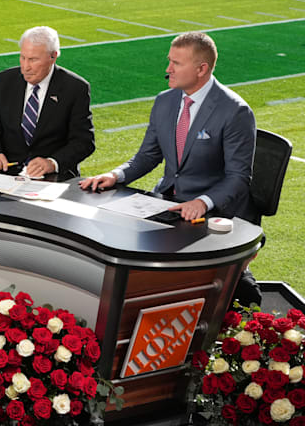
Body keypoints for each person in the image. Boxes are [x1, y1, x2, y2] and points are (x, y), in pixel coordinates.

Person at [79, 31, 259, 305]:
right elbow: (146, 157)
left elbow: (238, 177)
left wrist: (202, 201)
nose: (168, 69)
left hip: (212, 215)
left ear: (201, 69)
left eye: (176, 63)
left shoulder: (235, 111)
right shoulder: (165, 101)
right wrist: (115, 175)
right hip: (166, 204)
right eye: (169, 61)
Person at [0, 26, 94, 179]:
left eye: (33, 60)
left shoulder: (75, 88)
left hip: (53, 178)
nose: (25, 67)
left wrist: (52, 163)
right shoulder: (4, 81)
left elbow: (84, 141)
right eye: (23, 57)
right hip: (7, 175)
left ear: (53, 56)